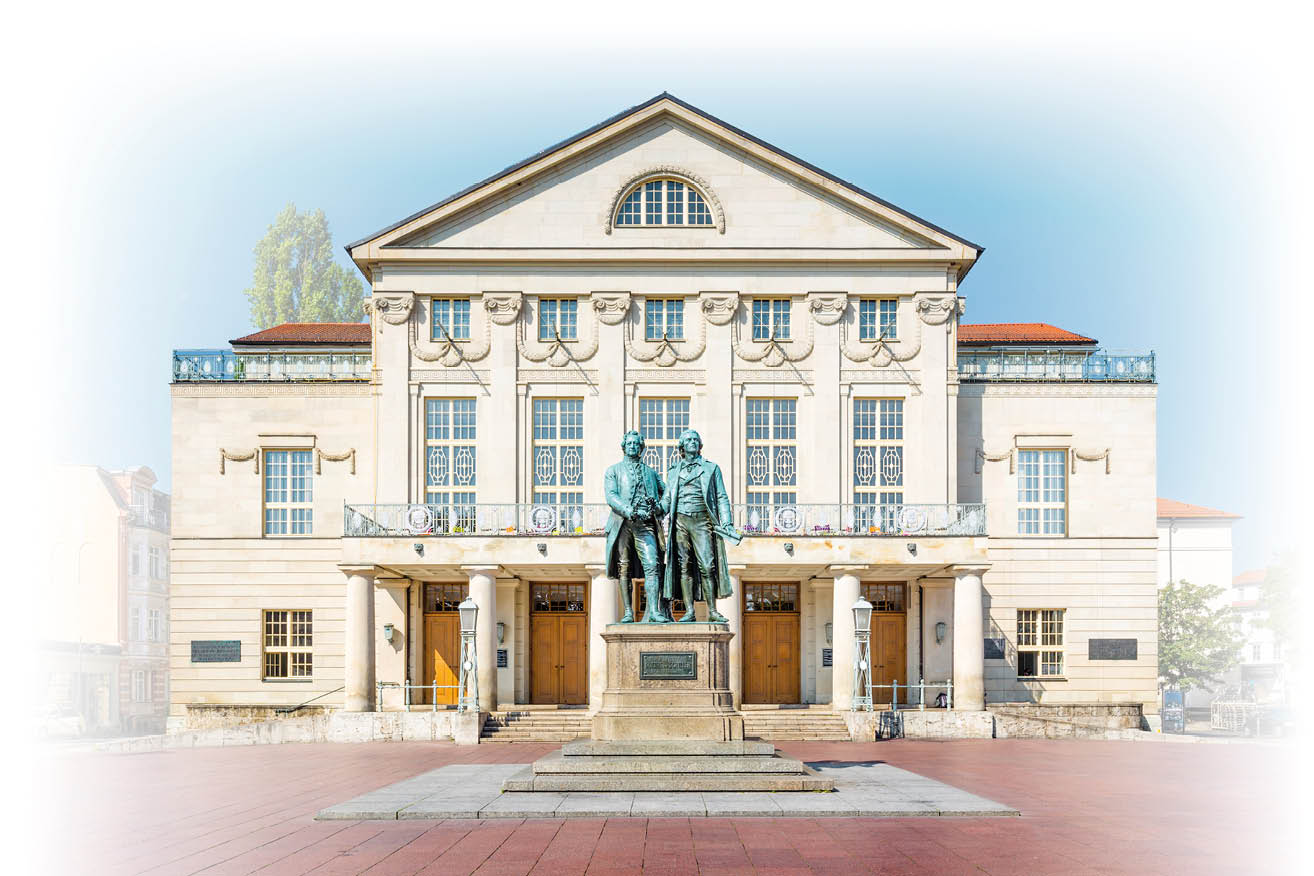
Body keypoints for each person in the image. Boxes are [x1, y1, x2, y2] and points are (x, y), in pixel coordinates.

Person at [660, 429, 741, 623]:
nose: (692, 442)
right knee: (684, 566)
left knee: (707, 565)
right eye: (688, 440)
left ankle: (712, 610)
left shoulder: (711, 468)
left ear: (700, 445)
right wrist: (654, 509)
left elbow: (721, 497)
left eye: (696, 440)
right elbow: (667, 500)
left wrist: (727, 522)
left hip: (702, 520)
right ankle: (689, 611)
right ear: (681, 447)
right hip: (680, 521)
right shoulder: (673, 471)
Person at [603, 430, 667, 622]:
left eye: (636, 444)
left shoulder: (651, 473)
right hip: (622, 523)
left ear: (642, 448)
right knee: (624, 567)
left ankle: (654, 611)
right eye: (629, 444)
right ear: (624, 447)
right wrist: (628, 509)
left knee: (652, 565)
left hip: (645, 524)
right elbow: (611, 496)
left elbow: (666, 495)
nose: (633, 446)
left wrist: (658, 508)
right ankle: (629, 612)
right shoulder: (613, 470)